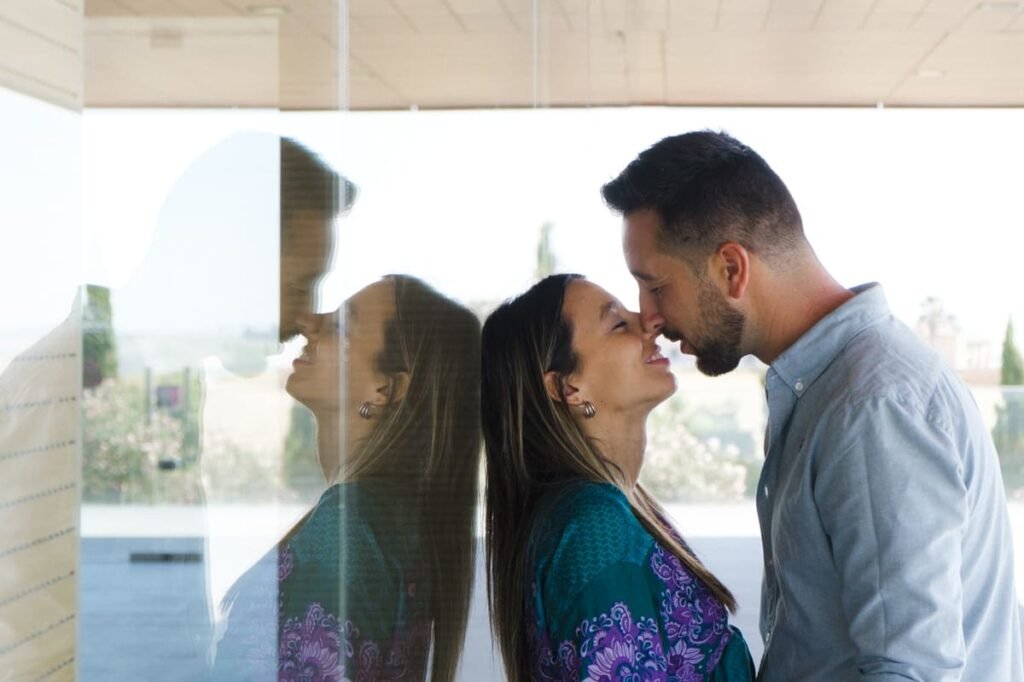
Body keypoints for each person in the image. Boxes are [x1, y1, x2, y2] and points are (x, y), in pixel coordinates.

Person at [603, 130, 1023, 680]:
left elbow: (911, 671)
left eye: (654, 285)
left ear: (731, 269)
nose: (649, 315)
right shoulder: (826, 389)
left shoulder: (871, 407)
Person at [481, 273, 756, 681]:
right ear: (567, 387)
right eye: (618, 324)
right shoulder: (593, 524)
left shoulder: (609, 508)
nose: (650, 322)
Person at [210, 275, 481, 681]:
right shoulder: (387, 522)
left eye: (340, 325)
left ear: (384, 388)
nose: (309, 322)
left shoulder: (345, 532)